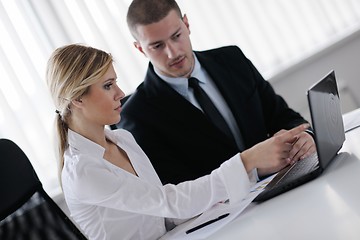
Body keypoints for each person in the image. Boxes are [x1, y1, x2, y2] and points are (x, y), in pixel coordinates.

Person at [46, 43, 310, 240]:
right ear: (77, 100)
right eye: (107, 86)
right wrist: (246, 161)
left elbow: (167, 217)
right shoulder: (82, 170)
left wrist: (239, 192)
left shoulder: (121, 139)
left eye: (115, 82)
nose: (120, 93)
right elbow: (168, 201)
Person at [118, 0, 316, 185]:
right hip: (228, 217)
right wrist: (250, 168)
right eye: (157, 46)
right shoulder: (136, 115)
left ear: (186, 24)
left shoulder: (232, 59)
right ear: (140, 49)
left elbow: (284, 117)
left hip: (285, 184)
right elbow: (177, 189)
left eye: (176, 36)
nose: (173, 53)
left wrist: (305, 136)